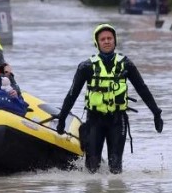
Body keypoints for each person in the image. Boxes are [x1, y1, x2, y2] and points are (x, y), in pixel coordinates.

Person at [56, 23, 163, 174]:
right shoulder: (86, 67)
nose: (106, 41)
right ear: (97, 43)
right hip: (94, 120)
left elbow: (142, 89)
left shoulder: (126, 64)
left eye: (110, 38)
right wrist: (62, 118)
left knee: (115, 167)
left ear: (115, 41)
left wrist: (156, 113)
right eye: (103, 39)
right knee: (92, 167)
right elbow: (72, 94)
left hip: (117, 121)